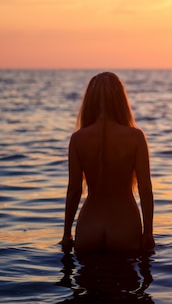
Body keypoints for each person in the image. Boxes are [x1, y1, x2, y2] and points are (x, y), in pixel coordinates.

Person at [61, 72, 155, 253]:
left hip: (89, 228)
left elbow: (74, 190)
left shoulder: (78, 139)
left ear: (89, 101)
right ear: (121, 100)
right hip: (125, 228)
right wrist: (148, 232)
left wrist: (66, 234)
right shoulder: (135, 138)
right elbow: (145, 188)